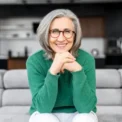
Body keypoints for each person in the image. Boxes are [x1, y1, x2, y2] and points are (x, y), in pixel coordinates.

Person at [26, 9, 98, 122]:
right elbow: (43, 108)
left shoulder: (86, 59)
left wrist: (78, 71)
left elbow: (85, 108)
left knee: (85, 119)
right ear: (46, 34)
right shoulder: (34, 61)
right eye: (54, 31)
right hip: (45, 113)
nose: (61, 38)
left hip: (78, 112)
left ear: (75, 35)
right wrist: (53, 71)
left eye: (67, 31)